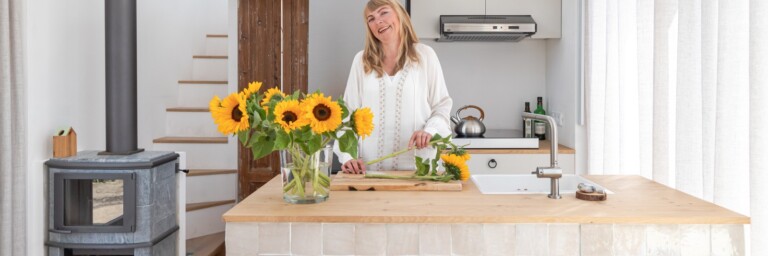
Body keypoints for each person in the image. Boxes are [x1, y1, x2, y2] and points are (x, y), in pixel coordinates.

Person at [334, 0, 453, 174]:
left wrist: (430, 130)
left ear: (400, 15)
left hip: (419, 171)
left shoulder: (425, 56)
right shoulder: (361, 61)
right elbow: (347, 115)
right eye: (371, 19)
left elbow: (441, 106)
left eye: (384, 13)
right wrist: (348, 157)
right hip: (369, 171)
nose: (378, 21)